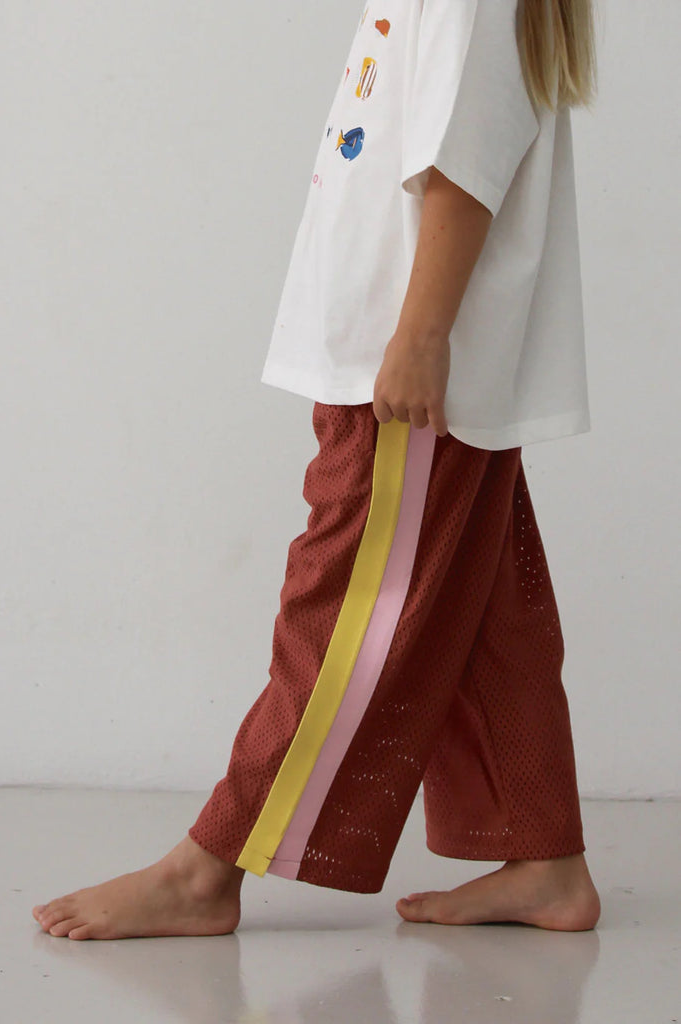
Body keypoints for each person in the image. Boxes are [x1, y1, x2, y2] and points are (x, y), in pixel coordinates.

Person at [33, 0, 602, 940]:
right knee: (489, 609)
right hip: (403, 357)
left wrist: (419, 339)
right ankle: (544, 857)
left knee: (342, 608)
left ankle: (206, 870)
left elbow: (461, 168)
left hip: (409, 369)